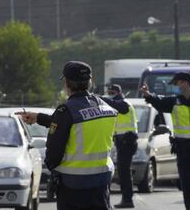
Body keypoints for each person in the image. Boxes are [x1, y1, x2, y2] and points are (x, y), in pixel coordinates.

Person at [18, 61, 117, 210]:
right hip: (101, 182)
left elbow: (53, 152)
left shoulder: (66, 111)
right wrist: (39, 117)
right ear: (90, 81)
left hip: (73, 186)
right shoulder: (105, 107)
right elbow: (76, 122)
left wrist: (53, 169)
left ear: (66, 82)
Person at [140, 71, 190, 210]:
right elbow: (159, 102)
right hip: (183, 149)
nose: (176, 86)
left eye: (178, 83)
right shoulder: (174, 101)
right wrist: (148, 96)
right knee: (187, 186)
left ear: (187, 83)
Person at [100, 84, 138, 208]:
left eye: (111, 92)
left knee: (124, 172)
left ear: (117, 92)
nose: (110, 94)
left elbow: (118, 106)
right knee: (123, 172)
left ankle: (128, 200)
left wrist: (102, 98)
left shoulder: (124, 104)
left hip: (127, 142)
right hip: (123, 143)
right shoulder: (117, 104)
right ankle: (127, 199)